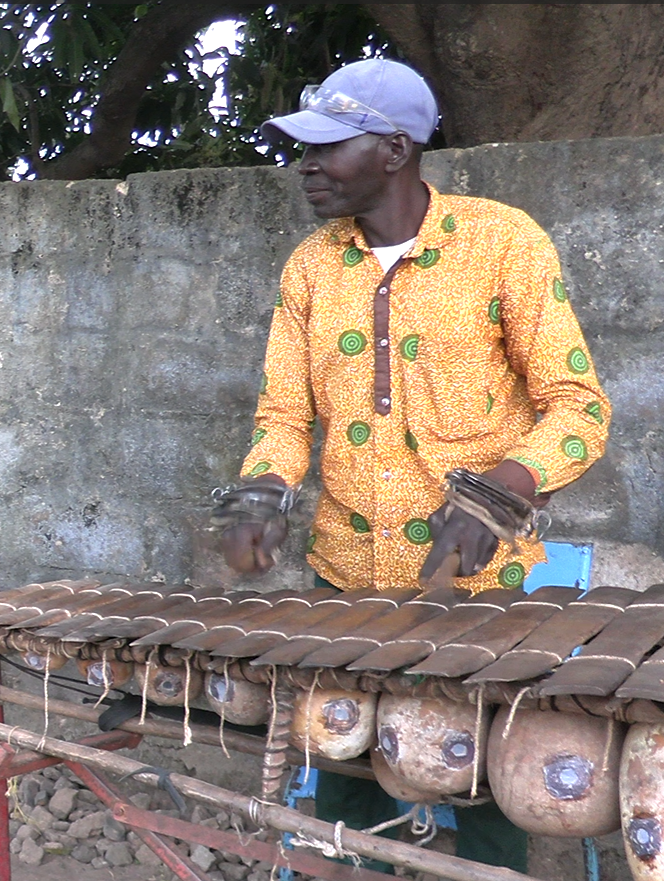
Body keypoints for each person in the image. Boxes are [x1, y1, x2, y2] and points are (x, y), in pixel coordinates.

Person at [217, 58, 611, 873]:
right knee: (344, 785)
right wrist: (263, 489)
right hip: (343, 584)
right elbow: (284, 417)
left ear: (394, 150)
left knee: (484, 790)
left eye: (328, 147)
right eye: (303, 148)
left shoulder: (503, 242)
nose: (307, 164)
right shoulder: (308, 268)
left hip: (478, 592)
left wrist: (499, 492)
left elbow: (578, 407)